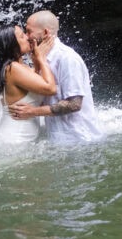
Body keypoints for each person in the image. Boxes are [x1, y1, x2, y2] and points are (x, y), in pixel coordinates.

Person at [8, 10, 105, 143]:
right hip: (58, 139)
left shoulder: (67, 59)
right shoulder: (41, 57)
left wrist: (32, 111)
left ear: (46, 33)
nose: (26, 36)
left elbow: (74, 104)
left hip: (79, 138)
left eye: (29, 31)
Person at [0, 24, 57, 143]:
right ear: (11, 45)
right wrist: (41, 59)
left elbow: (35, 84)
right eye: (22, 36)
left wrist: (37, 61)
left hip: (16, 137)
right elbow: (50, 88)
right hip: (16, 139)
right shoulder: (14, 69)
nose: (27, 37)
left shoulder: (14, 68)